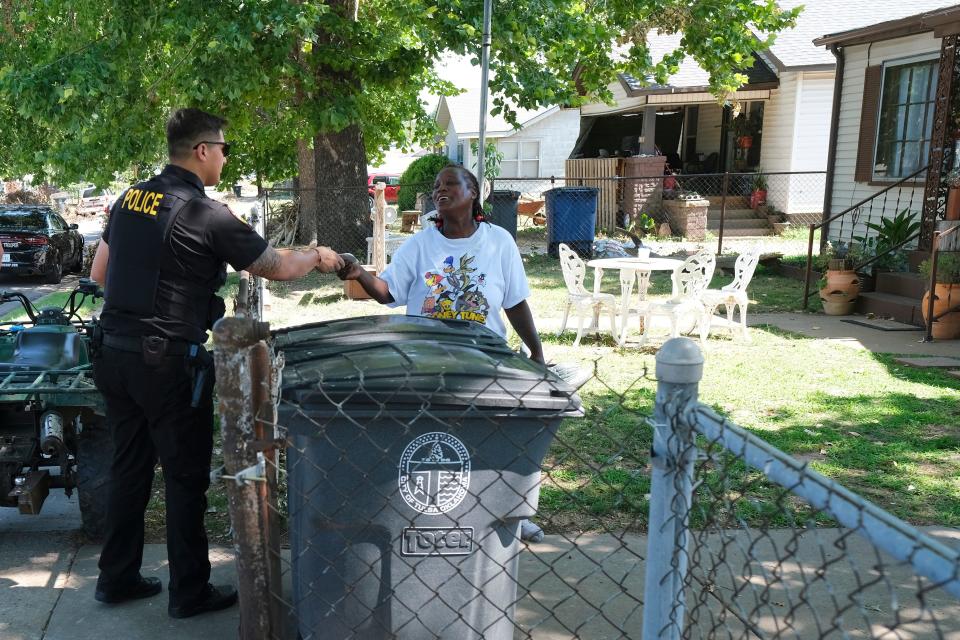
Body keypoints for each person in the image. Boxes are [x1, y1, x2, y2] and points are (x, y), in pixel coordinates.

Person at [88, 108, 344, 618]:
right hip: (164, 364)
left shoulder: (128, 198)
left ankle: (115, 579)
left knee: (129, 467)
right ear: (202, 151)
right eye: (224, 149)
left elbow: (99, 272)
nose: (226, 158)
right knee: (184, 478)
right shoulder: (208, 214)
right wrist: (318, 255)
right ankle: (189, 592)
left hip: (112, 354)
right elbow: (275, 267)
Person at [338, 165, 546, 542]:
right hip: (425, 361)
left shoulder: (499, 242)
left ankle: (509, 514)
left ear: (474, 192)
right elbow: (388, 292)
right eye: (436, 186)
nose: (440, 190)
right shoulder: (419, 245)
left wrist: (535, 350)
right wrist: (359, 273)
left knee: (495, 439)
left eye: (451, 183)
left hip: (484, 362)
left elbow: (515, 303)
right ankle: (429, 510)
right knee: (432, 439)